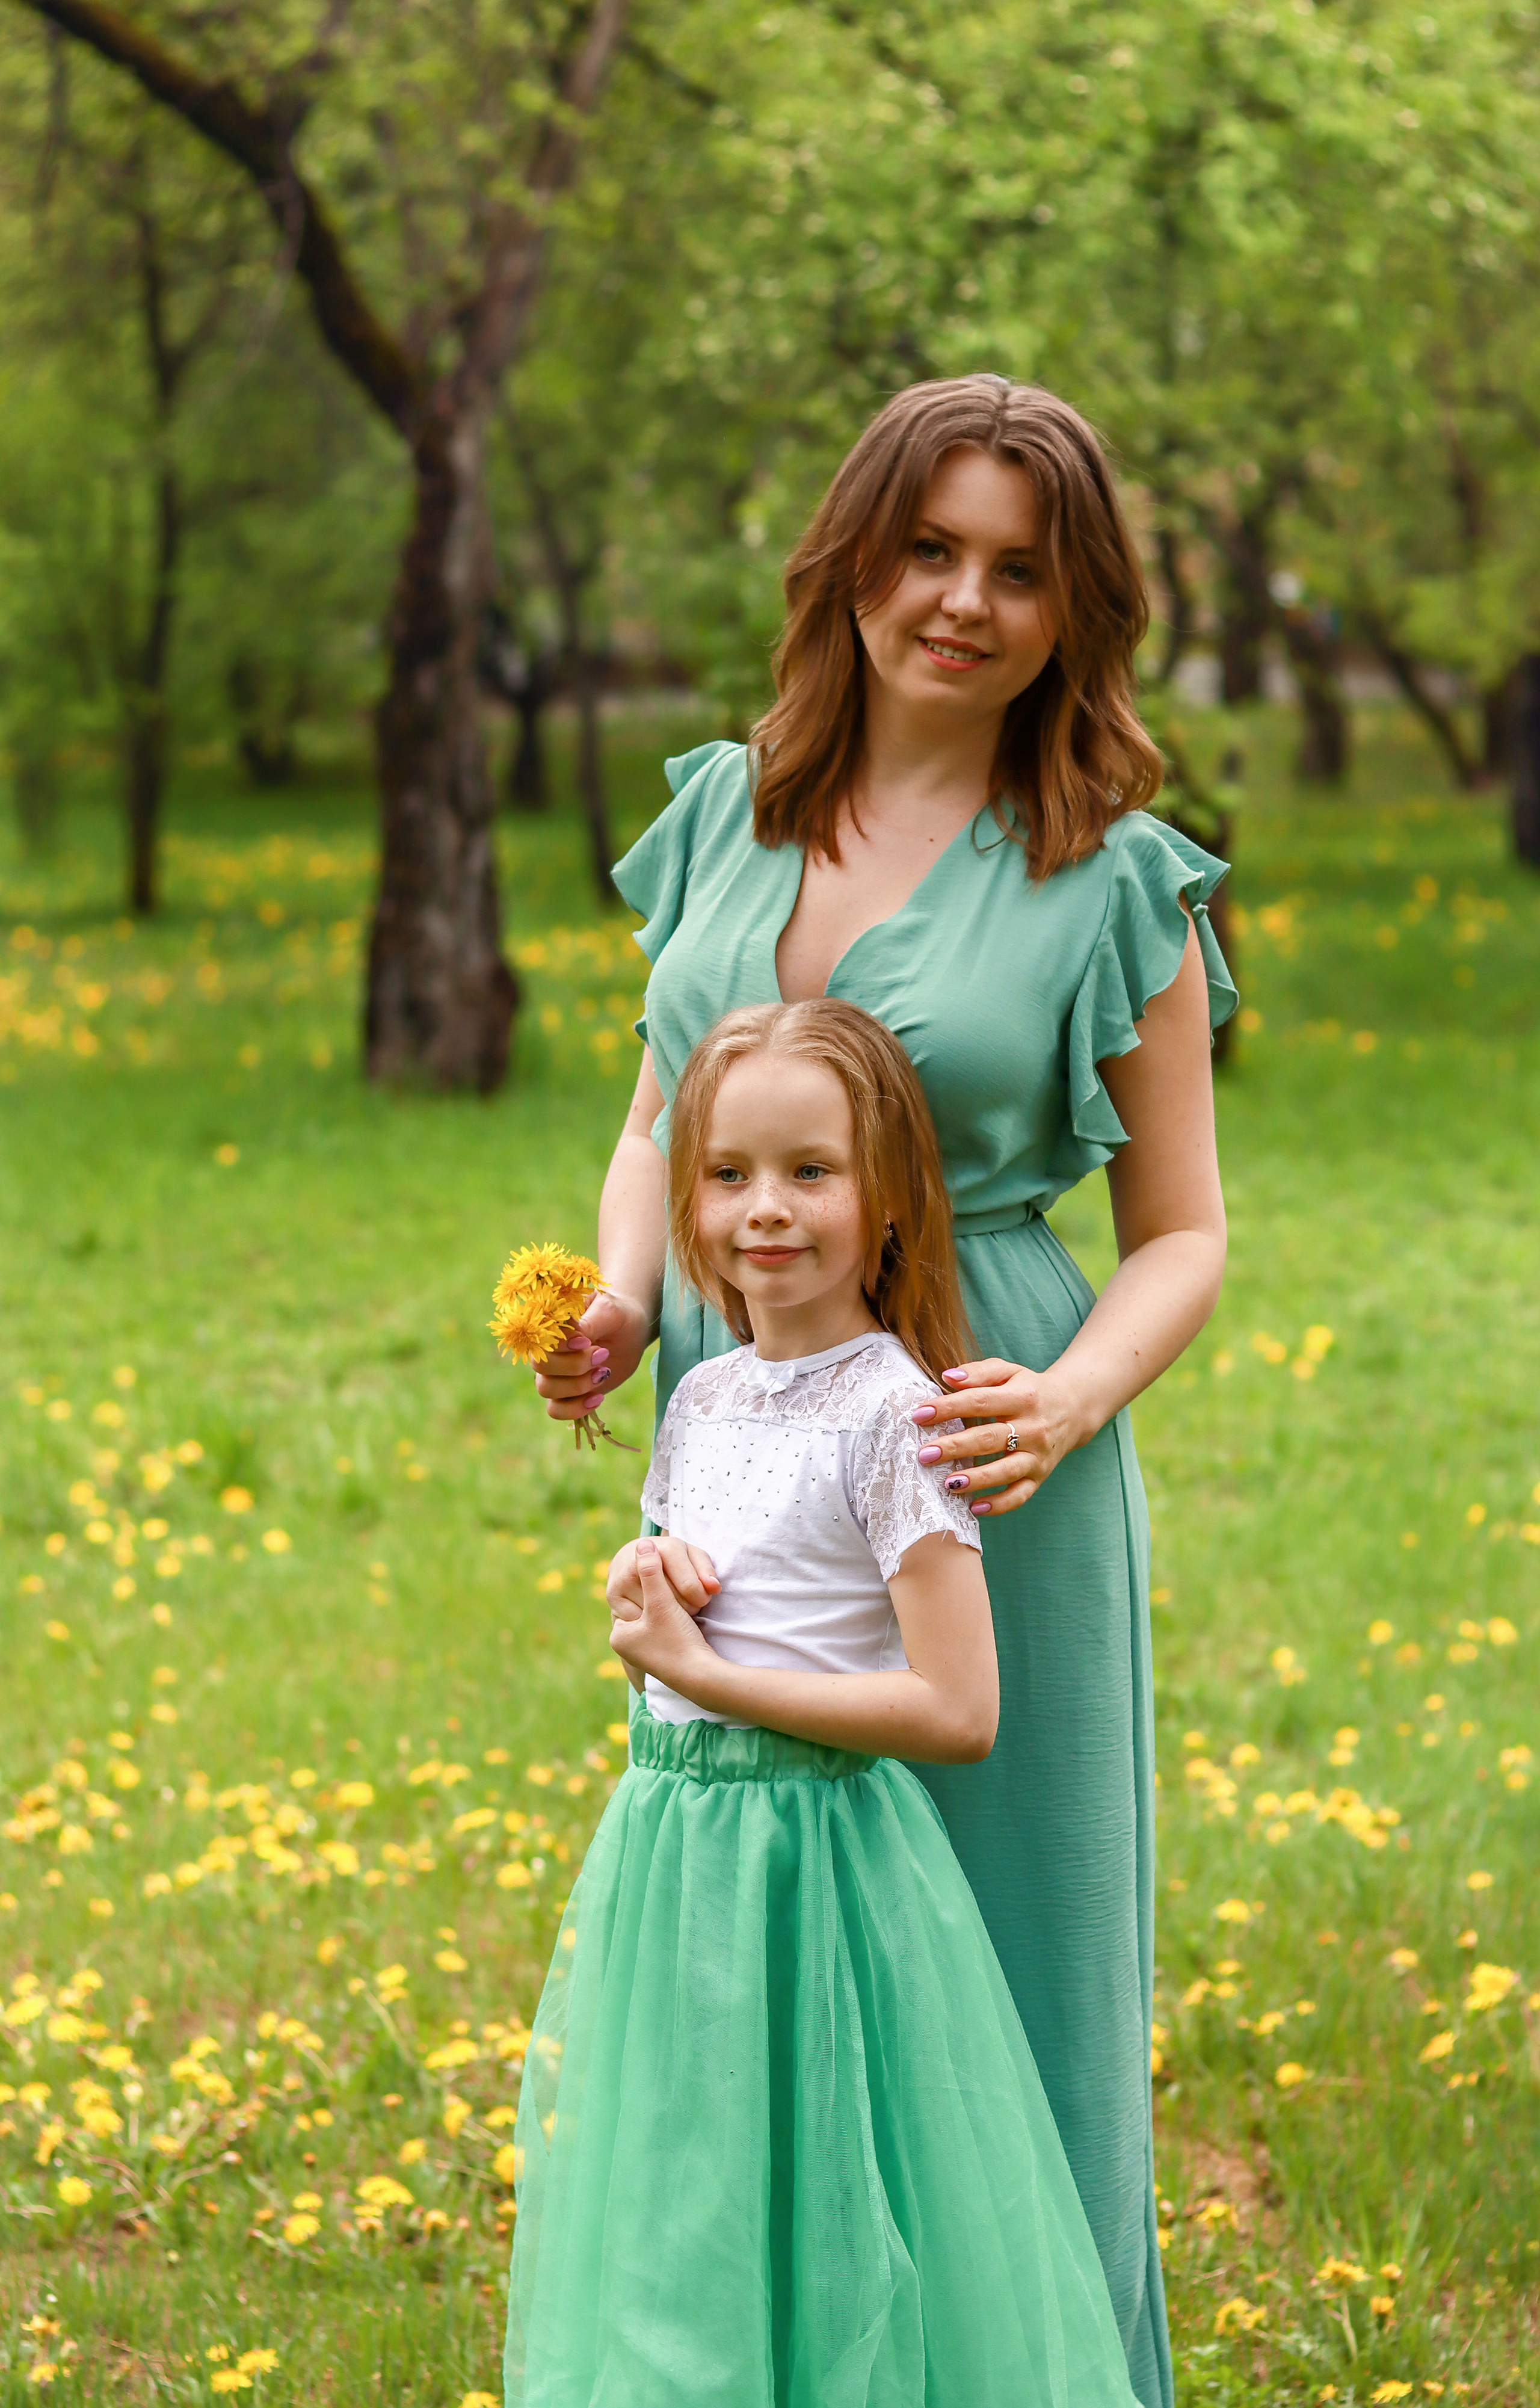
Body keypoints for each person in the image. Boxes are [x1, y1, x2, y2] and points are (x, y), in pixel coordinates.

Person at [532, 374, 1235, 2408]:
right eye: (930, 548)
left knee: (1005, 1959)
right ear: (853, 556)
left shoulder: (1116, 874)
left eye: (1023, 570)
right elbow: (660, 1108)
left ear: (1077, 607)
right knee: (757, 1909)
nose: (964, 602)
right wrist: (627, 1283)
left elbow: (1184, 1228)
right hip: (737, 1419)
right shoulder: (726, 806)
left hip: (977, 1436)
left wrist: (1072, 1397)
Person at [506, 998, 1141, 2407]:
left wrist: (704, 1674)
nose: (764, 1213)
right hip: (677, 1861)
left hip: (819, 1864)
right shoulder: (703, 1399)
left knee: (831, 2189)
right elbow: (699, 1605)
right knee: (690, 2189)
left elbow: (956, 1707)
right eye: (728, 1176)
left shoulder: (899, 1415)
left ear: (890, 1196)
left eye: (811, 1173)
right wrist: (650, 1576)